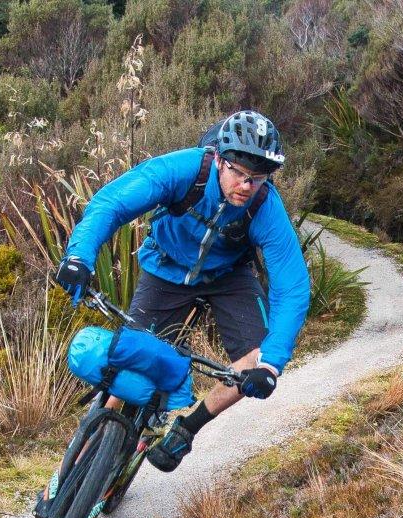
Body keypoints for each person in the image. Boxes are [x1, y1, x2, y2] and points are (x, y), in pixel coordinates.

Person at [55, 110, 310, 472]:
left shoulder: (264, 205)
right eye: (238, 172)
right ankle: (74, 469)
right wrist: (79, 257)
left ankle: (188, 428)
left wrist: (271, 363)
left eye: (257, 178)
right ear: (219, 159)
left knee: (255, 356)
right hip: (166, 267)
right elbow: (113, 203)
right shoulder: (185, 170)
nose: (246, 185)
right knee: (130, 354)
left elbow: (292, 285)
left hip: (228, 276)